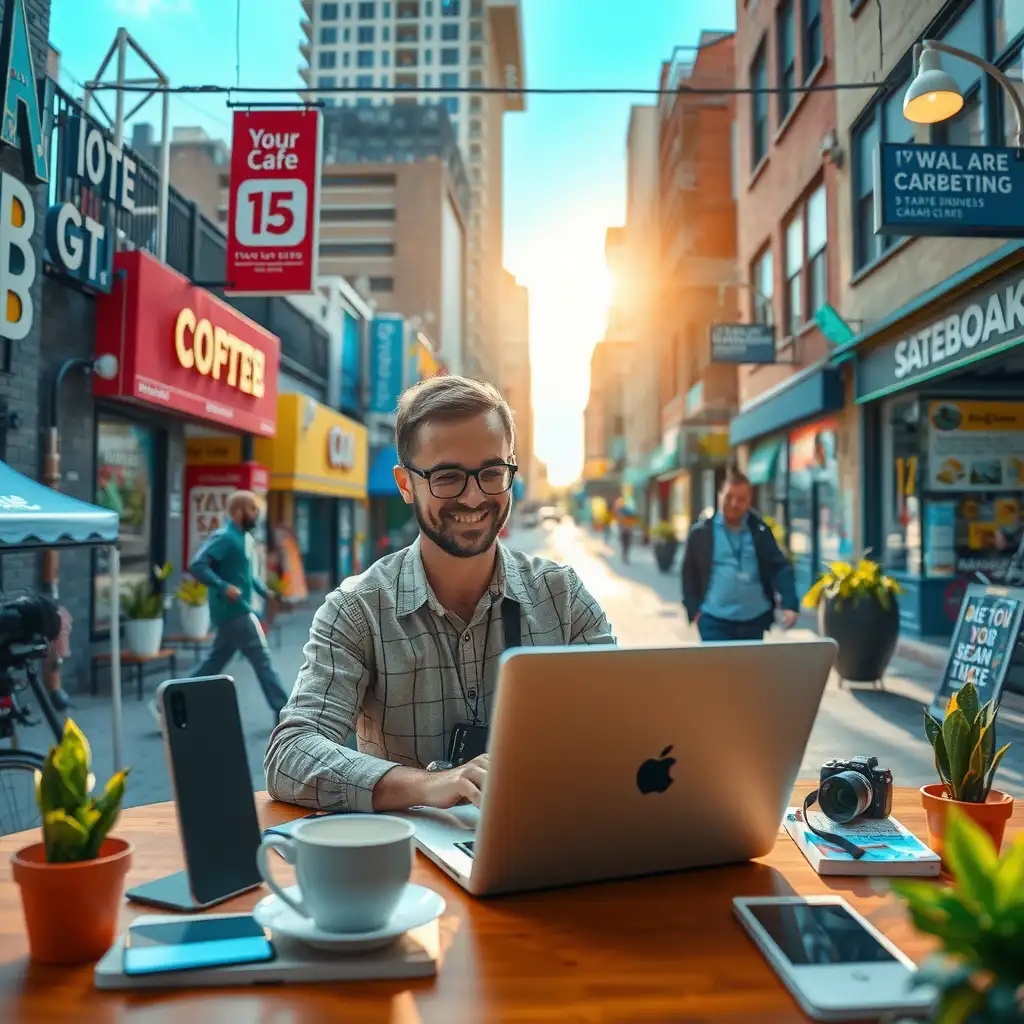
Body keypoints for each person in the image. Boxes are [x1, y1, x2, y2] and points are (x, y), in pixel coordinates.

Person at [265, 375, 616, 814]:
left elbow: (620, 729)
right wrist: (429, 786)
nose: (473, 497)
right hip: (407, 868)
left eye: (491, 473)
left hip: (546, 845)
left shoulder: (562, 596)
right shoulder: (356, 612)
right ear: (405, 483)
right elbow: (290, 755)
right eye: (447, 477)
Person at [171, 490, 290, 722]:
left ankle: (170, 697)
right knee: (262, 660)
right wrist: (223, 586)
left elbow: (249, 575)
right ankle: (285, 711)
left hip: (237, 610)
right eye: (253, 510)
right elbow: (198, 565)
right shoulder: (224, 537)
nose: (257, 515)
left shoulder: (245, 539)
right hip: (234, 611)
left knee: (214, 661)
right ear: (238, 512)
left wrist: (265, 592)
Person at [681, 466, 798, 642]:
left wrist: (790, 604)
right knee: (718, 670)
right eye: (729, 497)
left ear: (749, 499)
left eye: (741, 499)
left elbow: (779, 566)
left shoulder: (760, 530)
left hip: (754, 621)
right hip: (714, 621)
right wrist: (694, 611)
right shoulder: (701, 533)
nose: (734, 504)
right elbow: (688, 575)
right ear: (720, 495)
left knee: (750, 671)